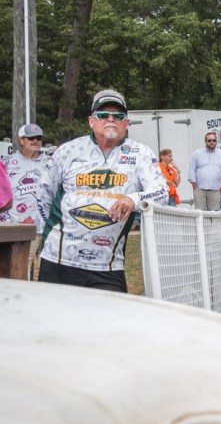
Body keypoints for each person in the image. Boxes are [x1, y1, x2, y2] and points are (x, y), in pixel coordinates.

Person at [36, 89, 167, 292]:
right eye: (103, 114)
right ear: (91, 121)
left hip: (107, 264)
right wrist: (48, 233)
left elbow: (161, 192)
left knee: (112, 313)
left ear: (127, 123)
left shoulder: (140, 153)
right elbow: (44, 193)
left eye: (118, 116)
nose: (111, 119)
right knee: (53, 312)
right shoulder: (68, 150)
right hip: (59, 259)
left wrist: (133, 199)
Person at [0, 123, 50, 231]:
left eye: (39, 138)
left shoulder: (51, 162)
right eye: (31, 138)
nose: (36, 141)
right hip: (14, 226)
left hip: (45, 228)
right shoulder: (6, 162)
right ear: (21, 140)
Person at [188, 131, 221, 210]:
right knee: (199, 213)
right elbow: (191, 169)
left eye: (214, 140)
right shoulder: (197, 154)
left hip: (216, 190)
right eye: (209, 140)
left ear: (216, 141)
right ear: (205, 141)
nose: (212, 142)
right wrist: (194, 185)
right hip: (200, 189)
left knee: (214, 214)